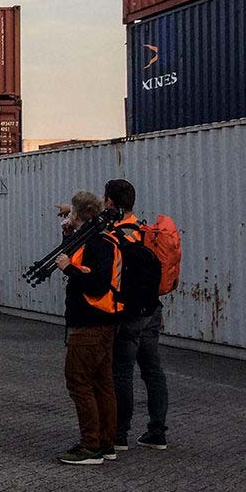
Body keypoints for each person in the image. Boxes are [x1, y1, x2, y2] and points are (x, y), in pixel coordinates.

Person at [54, 190, 121, 465]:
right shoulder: (93, 240)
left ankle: (90, 446)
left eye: (72, 212)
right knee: (102, 384)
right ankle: (106, 442)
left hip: (88, 325)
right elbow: (74, 257)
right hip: (102, 324)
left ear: (79, 215)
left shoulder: (98, 244)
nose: (68, 215)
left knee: (79, 382)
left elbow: (96, 283)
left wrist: (68, 269)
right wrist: (67, 235)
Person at [107, 178, 170, 451]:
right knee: (153, 372)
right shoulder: (145, 230)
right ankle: (157, 432)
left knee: (122, 373)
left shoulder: (114, 234)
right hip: (152, 309)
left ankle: (119, 434)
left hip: (128, 313)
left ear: (110, 202)